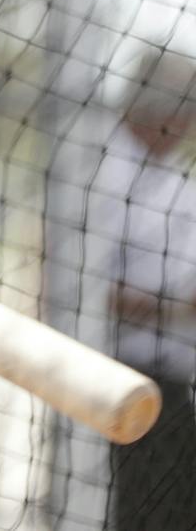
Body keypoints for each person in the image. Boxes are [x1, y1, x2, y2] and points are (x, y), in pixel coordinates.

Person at [105, 46, 196, 531]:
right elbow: (69, 285)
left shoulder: (177, 176)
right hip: (113, 382)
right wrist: (174, 309)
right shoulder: (99, 166)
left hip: (173, 385)